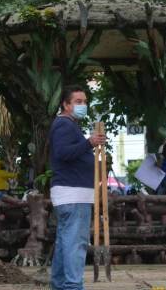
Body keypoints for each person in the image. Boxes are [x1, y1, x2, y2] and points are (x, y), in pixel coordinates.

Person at [49, 85, 106, 290]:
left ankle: (60, 286)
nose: (83, 105)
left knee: (65, 244)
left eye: (84, 101)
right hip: (72, 194)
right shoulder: (64, 125)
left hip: (72, 194)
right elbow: (63, 153)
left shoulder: (69, 125)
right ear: (66, 104)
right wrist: (89, 142)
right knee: (74, 244)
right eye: (78, 102)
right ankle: (73, 286)